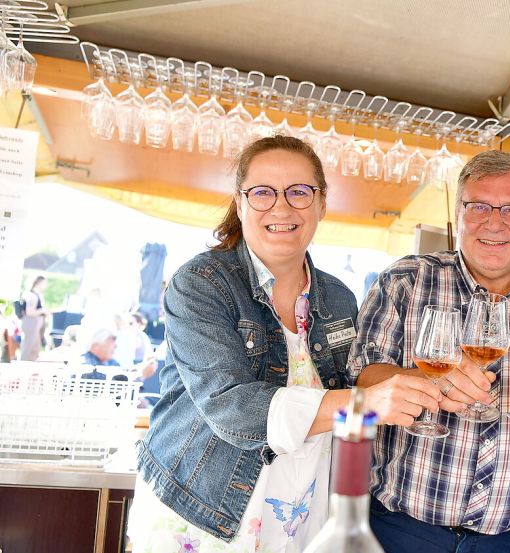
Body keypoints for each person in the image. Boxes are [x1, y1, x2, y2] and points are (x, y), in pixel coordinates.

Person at [127, 136, 441, 552]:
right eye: (262, 192)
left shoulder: (340, 298)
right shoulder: (201, 284)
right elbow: (231, 407)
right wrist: (365, 403)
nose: (281, 206)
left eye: (299, 191)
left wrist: (418, 391)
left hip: (301, 519)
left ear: (322, 204)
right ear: (240, 204)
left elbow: (351, 409)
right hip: (205, 515)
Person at [348, 150, 510, 553]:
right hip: (402, 529)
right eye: (478, 206)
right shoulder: (407, 281)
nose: (494, 222)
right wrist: (428, 379)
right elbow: (362, 378)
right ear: (458, 215)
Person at [19, 276, 50, 361]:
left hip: (35, 325)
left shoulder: (38, 295)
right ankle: (22, 367)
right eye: (44, 283)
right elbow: (29, 312)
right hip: (30, 324)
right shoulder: (31, 295)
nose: (45, 286)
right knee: (28, 348)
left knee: (35, 349)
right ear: (38, 283)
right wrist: (42, 310)